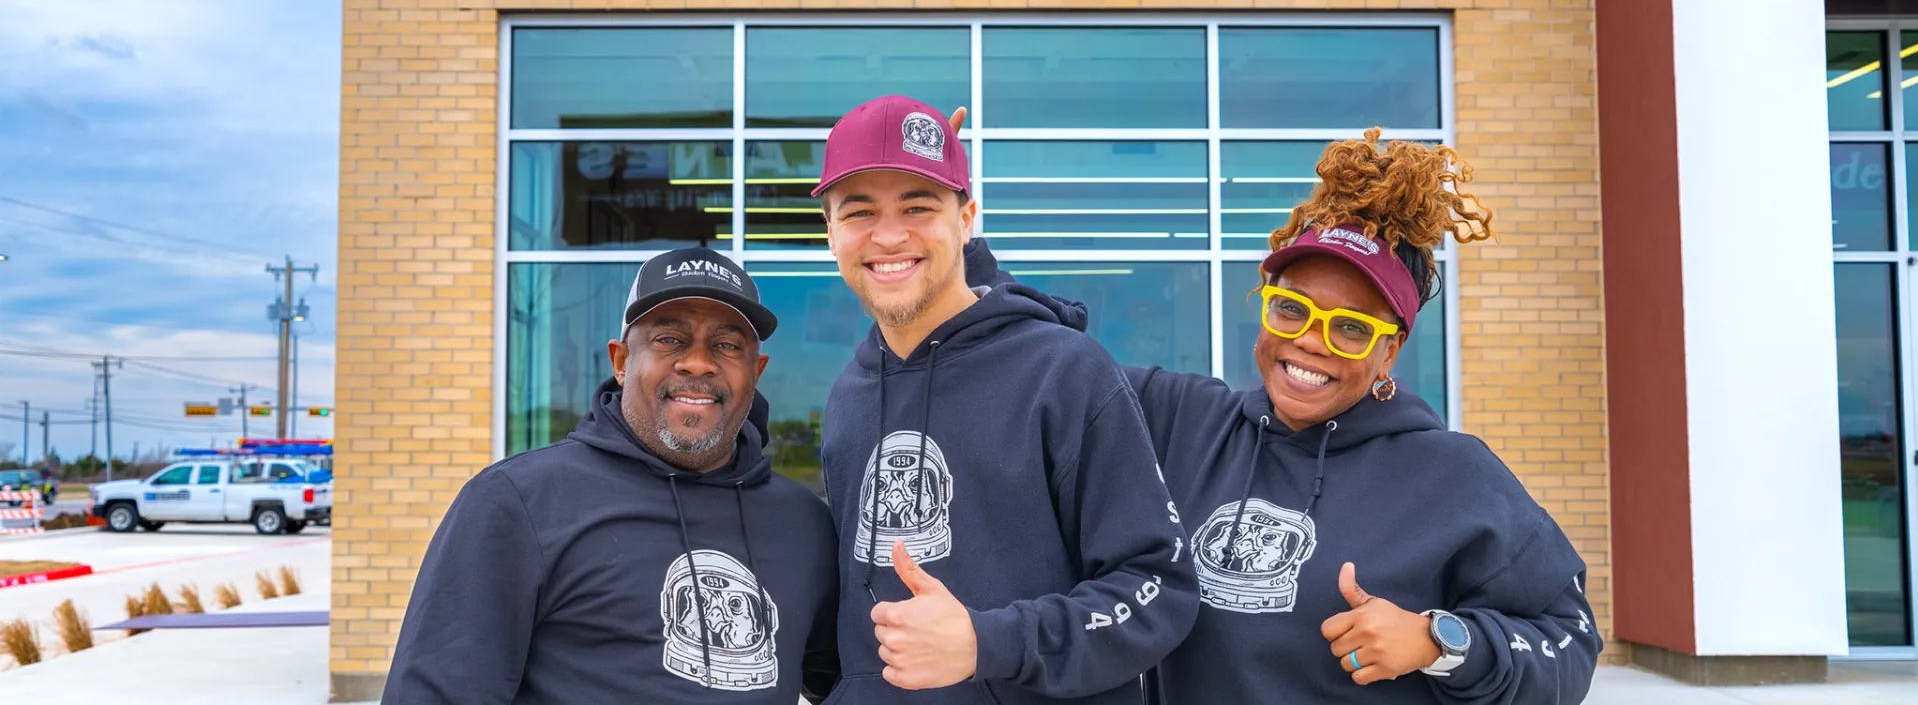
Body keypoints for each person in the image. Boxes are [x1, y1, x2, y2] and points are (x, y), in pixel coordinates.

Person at [967, 130, 1601, 704]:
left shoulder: (1454, 476)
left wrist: (1440, 642)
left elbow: (1569, 639)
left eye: (1350, 329)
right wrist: (947, 232)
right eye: (1292, 310)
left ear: (1391, 350)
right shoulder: (1178, 422)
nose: (1312, 342)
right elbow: (1049, 357)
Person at [813, 94, 1198, 704]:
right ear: (830, 232)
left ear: (967, 219)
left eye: (918, 206)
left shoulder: (1065, 372)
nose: (888, 235)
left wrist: (990, 642)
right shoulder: (849, 399)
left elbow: (1157, 586)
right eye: (860, 212)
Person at [383, 249, 838, 704]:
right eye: (669, 339)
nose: (698, 363)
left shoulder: (803, 523)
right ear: (620, 362)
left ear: (755, 371)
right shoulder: (518, 503)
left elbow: (847, 680)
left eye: (726, 345)